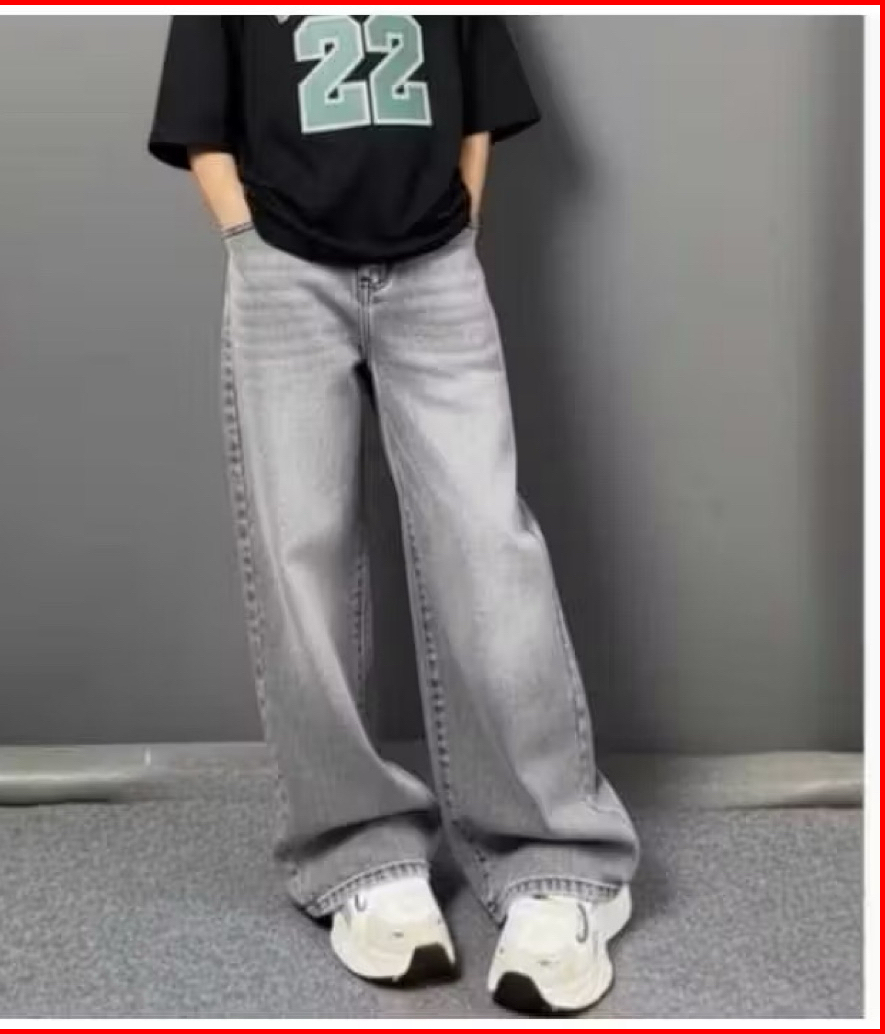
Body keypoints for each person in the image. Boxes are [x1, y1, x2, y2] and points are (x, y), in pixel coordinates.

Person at [148, 14, 639, 1015]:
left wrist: (462, 221)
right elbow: (198, 120)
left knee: (485, 545)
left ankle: (555, 861)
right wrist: (247, 240)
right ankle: (357, 854)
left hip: (433, 265)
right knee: (302, 558)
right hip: (284, 274)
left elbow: (479, 101)